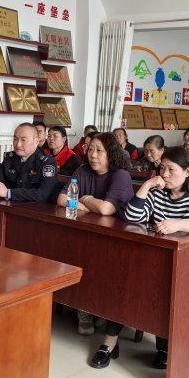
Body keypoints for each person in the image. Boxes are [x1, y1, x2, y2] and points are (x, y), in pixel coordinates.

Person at [90, 146, 189, 370]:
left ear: (187, 172)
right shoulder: (158, 191)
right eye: (162, 169)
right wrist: (147, 185)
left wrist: (178, 224)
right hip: (157, 259)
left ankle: (166, 346)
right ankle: (110, 342)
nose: (165, 175)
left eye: (171, 169)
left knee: (166, 286)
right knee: (124, 279)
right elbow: (132, 216)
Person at [57, 132, 134, 335]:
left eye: (99, 150)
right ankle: (85, 310)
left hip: (118, 238)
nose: (93, 155)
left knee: (98, 261)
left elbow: (107, 209)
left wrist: (83, 199)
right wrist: (90, 206)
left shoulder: (121, 175)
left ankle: (101, 309)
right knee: (78, 254)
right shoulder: (82, 171)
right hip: (88, 232)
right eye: (90, 149)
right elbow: (62, 199)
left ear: (112, 153)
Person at [0, 123, 58, 202]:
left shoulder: (48, 162)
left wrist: (8, 193)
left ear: (36, 141)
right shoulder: (10, 159)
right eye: (15, 139)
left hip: (39, 208)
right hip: (13, 206)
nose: (18, 144)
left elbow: (41, 195)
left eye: (23, 140)